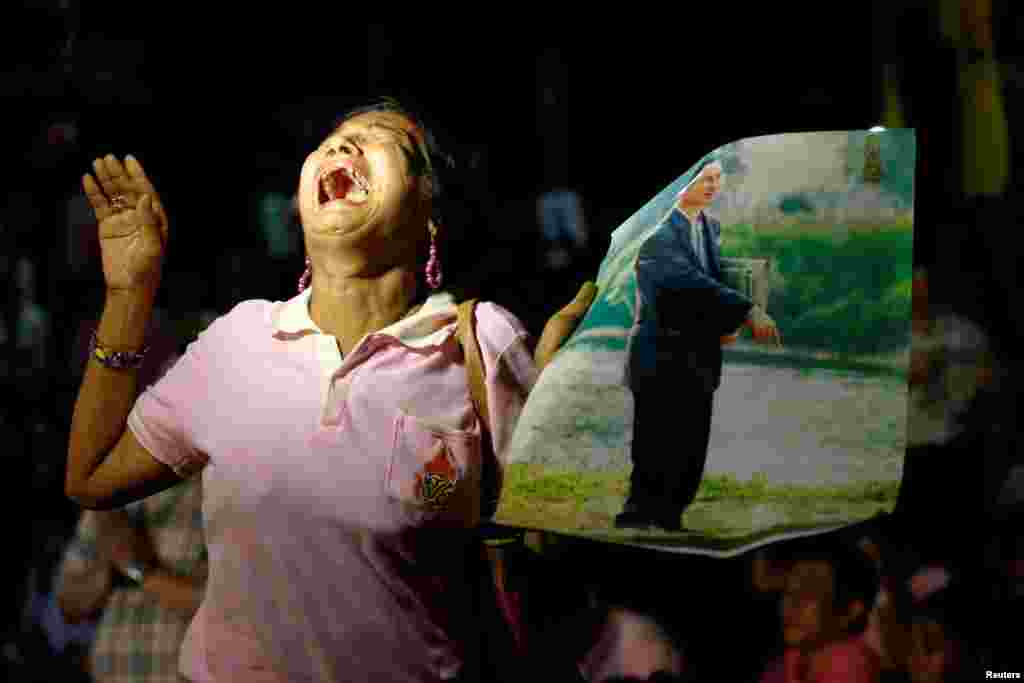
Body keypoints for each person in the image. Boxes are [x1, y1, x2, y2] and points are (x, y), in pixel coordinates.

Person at [65, 98, 590, 682]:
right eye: (334, 139)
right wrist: (130, 294)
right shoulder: (237, 341)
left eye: (379, 139)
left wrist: (557, 414)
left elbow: (551, 560)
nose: (342, 147)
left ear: (427, 214)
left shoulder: (479, 343)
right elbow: (92, 476)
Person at [616, 160, 780, 531]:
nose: (712, 185)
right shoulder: (656, 232)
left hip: (700, 357)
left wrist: (726, 324)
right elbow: (685, 281)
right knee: (654, 442)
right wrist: (748, 310)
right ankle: (640, 514)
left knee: (691, 444)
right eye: (704, 178)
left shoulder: (710, 228)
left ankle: (671, 514)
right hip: (659, 354)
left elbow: (711, 281)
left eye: (717, 179)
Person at [56, 477, 207, 683]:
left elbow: (235, 609)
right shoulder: (116, 489)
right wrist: (106, 550)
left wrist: (141, 571)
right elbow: (70, 604)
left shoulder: (224, 486)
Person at [760, 541, 881, 683]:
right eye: (788, 592)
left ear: (850, 611)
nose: (791, 605)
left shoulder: (848, 664)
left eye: (808, 593)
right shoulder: (787, 662)